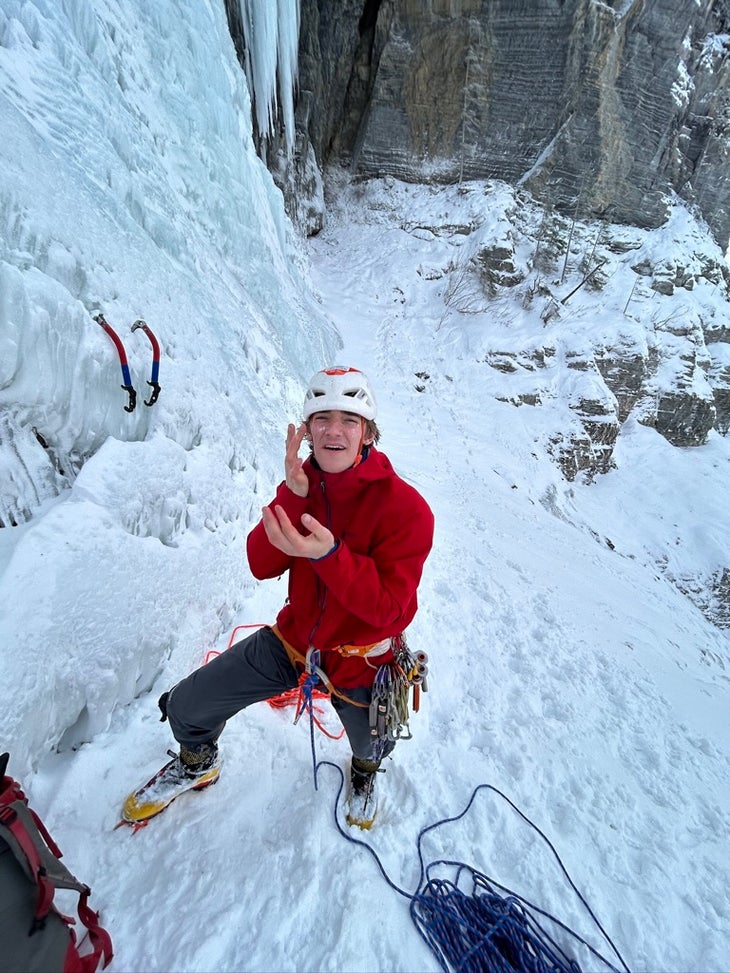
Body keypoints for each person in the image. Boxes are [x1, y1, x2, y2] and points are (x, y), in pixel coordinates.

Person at [121, 366, 434, 829]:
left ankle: (365, 771)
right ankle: (197, 762)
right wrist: (293, 495)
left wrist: (329, 554)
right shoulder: (302, 485)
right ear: (306, 430)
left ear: (367, 433)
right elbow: (261, 563)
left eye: (348, 420)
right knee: (189, 705)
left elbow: (389, 609)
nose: (333, 431)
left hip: (364, 659)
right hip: (295, 643)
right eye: (321, 418)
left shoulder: (406, 509)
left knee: (374, 743)